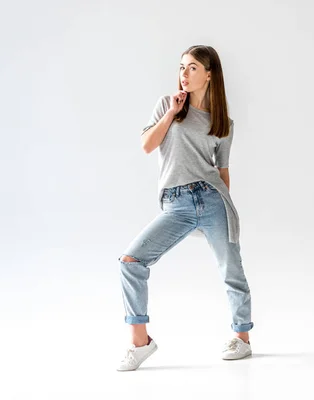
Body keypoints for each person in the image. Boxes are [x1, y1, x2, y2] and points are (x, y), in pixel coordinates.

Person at [116, 45, 254, 371]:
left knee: (231, 270)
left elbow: (222, 172)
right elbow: (147, 145)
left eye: (192, 67)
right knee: (131, 261)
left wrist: (226, 212)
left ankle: (242, 339)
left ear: (209, 74)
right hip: (176, 204)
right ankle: (140, 343)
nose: (184, 73)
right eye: (181, 67)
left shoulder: (224, 123)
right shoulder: (168, 105)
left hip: (213, 199)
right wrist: (170, 114)